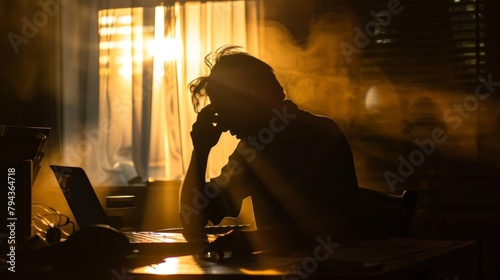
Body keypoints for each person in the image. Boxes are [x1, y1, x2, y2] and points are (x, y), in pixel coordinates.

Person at [179, 46, 359, 260]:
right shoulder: (254, 146)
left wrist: (248, 239)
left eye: (226, 109)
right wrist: (200, 150)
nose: (224, 124)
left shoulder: (314, 134)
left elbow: (331, 228)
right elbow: (192, 217)